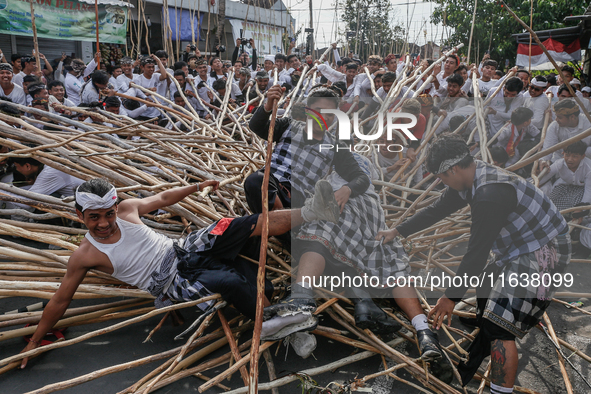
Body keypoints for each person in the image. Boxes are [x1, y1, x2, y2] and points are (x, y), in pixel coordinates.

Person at [17, 177, 341, 368]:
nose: (103, 223)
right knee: (228, 282)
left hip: (183, 248)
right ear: (79, 215)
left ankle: (313, 210)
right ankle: (272, 324)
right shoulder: (85, 255)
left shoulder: (128, 209)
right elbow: (60, 300)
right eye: (94, 217)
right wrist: (34, 340)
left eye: (108, 214)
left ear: (116, 208)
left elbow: (161, 197)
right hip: (172, 280)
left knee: (235, 226)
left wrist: (196, 186)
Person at [377, 133, 570, 392]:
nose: (441, 182)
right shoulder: (471, 176)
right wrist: (398, 231)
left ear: (453, 169)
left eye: (441, 177)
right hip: (519, 245)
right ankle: (485, 321)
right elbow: (438, 208)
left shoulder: (489, 194)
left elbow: (476, 253)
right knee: (486, 284)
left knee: (501, 328)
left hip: (545, 250)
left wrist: (450, 298)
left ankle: (500, 388)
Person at [539, 141, 591, 214]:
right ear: (563, 154)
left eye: (575, 156)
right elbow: (542, 178)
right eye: (567, 155)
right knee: (549, 204)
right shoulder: (559, 163)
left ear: (582, 156)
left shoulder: (588, 168)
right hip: (564, 185)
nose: (570, 159)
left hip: (583, 188)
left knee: (575, 208)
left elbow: (589, 191)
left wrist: (581, 208)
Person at [542, 98, 591, 164]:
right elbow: (547, 149)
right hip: (559, 161)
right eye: (556, 116)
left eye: (560, 117)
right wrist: (543, 161)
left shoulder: (589, 123)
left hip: (585, 160)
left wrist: (574, 155)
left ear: (572, 117)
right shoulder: (555, 125)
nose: (556, 119)